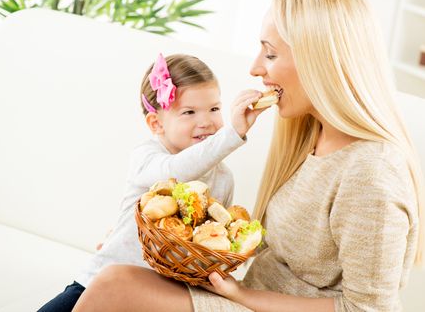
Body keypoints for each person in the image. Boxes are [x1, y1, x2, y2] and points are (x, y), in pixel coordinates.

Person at [72, 0, 425, 312]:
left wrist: (243, 295)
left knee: (115, 286)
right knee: (115, 276)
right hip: (246, 296)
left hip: (252, 303)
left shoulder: (371, 172)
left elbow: (369, 309)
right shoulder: (311, 141)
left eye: (270, 54)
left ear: (319, 61)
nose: (256, 68)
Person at [38, 53, 268, 311]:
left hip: (160, 295)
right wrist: (231, 134)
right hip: (100, 284)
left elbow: (208, 243)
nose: (206, 122)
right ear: (156, 123)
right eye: (189, 112)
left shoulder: (223, 178)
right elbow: (177, 172)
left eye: (214, 109)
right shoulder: (148, 157)